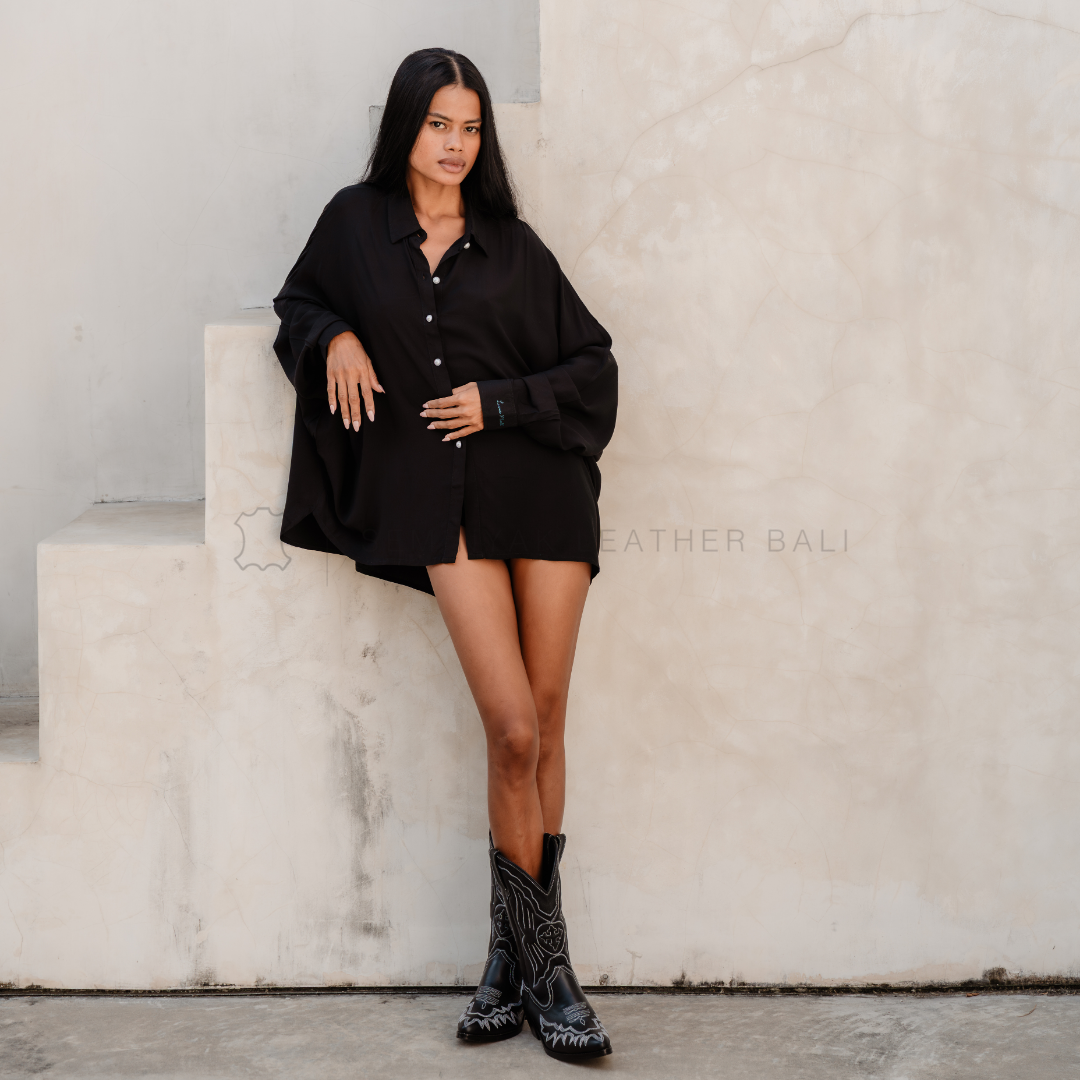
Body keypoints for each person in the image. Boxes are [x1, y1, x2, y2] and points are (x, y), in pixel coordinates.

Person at [272, 48, 617, 1062]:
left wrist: (500, 402)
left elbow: (594, 364)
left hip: (546, 500)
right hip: (444, 511)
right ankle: (548, 966)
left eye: (470, 127)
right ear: (408, 130)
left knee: (548, 719)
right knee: (512, 729)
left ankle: (520, 966)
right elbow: (296, 307)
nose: (456, 143)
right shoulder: (353, 225)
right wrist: (331, 336)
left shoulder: (513, 246)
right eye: (439, 125)